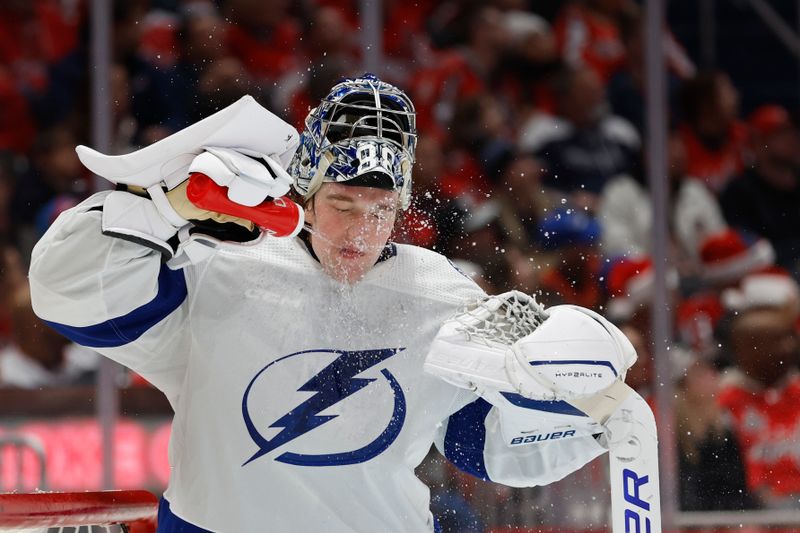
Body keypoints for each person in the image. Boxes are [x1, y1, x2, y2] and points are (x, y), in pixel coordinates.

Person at [29, 75, 639, 532]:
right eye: (343, 204)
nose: (360, 231)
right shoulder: (220, 264)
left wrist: (577, 399)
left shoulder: (441, 294)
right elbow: (67, 293)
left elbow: (482, 444)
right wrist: (167, 206)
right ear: (306, 192)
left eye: (380, 210)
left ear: (402, 208)